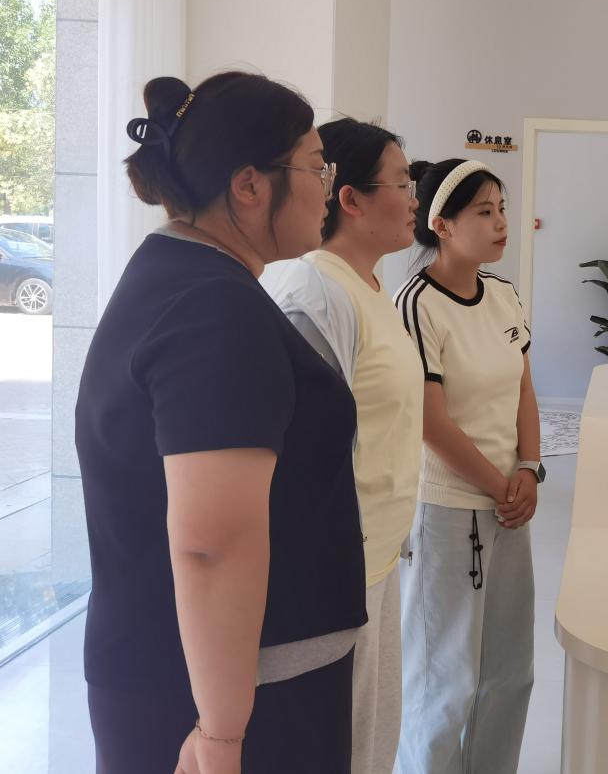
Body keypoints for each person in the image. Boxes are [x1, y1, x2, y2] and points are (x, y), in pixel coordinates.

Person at [76, 73, 366, 774]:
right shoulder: (214, 309)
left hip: (213, 673)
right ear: (249, 186)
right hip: (223, 694)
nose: (327, 188)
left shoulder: (183, 277)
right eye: (317, 168)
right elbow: (212, 545)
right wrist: (221, 732)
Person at [267, 118, 425, 774]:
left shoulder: (371, 286)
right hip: (335, 576)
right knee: (343, 749)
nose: (415, 198)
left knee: (373, 744)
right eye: (402, 183)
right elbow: (298, 458)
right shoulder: (315, 293)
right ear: (351, 199)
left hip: (377, 558)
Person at [394, 159, 542, 774]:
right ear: (443, 225)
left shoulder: (504, 294)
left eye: (501, 208)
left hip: (508, 507)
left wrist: (529, 468)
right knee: (444, 682)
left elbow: (523, 389)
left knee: (510, 672)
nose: (501, 223)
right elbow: (431, 424)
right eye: (484, 212)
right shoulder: (417, 303)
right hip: (450, 510)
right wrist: (501, 485)